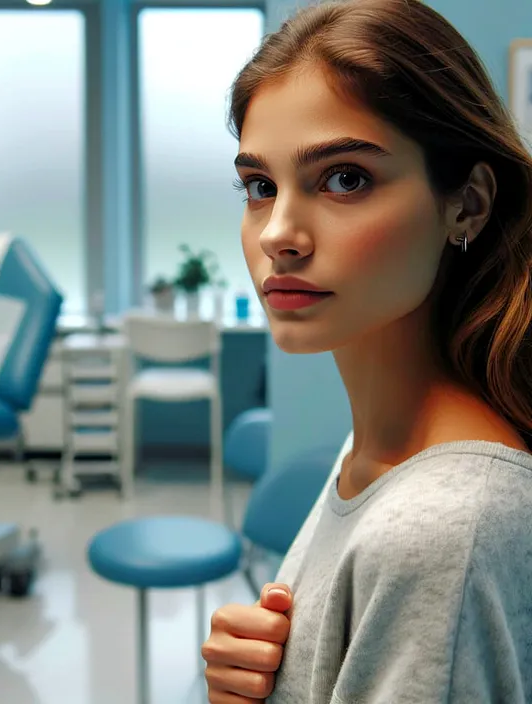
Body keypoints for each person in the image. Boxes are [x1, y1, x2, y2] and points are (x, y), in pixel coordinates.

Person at [201, 0, 532, 701]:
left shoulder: (443, 527)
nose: (278, 235)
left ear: (467, 204)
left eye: (344, 178)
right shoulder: (377, 449)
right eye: (260, 187)